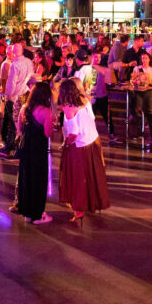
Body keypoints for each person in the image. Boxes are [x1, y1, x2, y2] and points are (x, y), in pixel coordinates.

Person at [57, 77, 110, 221]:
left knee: (77, 178)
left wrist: (66, 144)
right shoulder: (84, 99)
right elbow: (91, 118)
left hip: (80, 146)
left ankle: (79, 210)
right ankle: (92, 203)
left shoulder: (69, 108)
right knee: (92, 175)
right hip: (93, 141)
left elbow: (74, 133)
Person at [11, 82, 55, 223]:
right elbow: (48, 133)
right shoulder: (46, 112)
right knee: (38, 180)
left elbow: (19, 128)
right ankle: (37, 215)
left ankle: (27, 212)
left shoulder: (25, 108)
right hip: (38, 150)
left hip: (26, 150)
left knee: (26, 179)